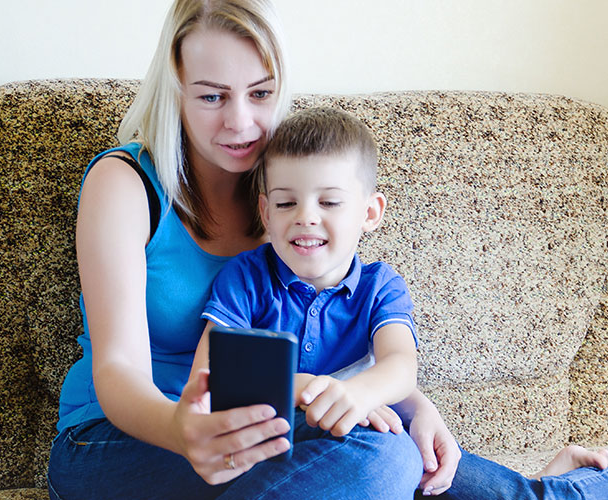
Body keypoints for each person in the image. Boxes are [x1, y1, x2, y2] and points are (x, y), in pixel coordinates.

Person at [46, 0, 608, 498]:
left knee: (385, 447)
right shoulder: (125, 184)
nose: (241, 121)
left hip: (269, 416)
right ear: (176, 86)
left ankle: (550, 490)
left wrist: (413, 404)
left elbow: (344, 341)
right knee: (382, 459)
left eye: (261, 94)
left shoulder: (295, 187)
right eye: (213, 96)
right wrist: (182, 430)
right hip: (120, 439)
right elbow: (118, 370)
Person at [190, 106, 423, 496]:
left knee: (444, 467)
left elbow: (400, 364)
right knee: (394, 456)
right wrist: (307, 386)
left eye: (329, 202)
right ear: (265, 212)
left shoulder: (381, 285)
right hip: (271, 434)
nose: (306, 217)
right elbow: (210, 377)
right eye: (286, 204)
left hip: (354, 425)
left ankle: (560, 486)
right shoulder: (246, 278)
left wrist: (360, 394)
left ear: (369, 213)